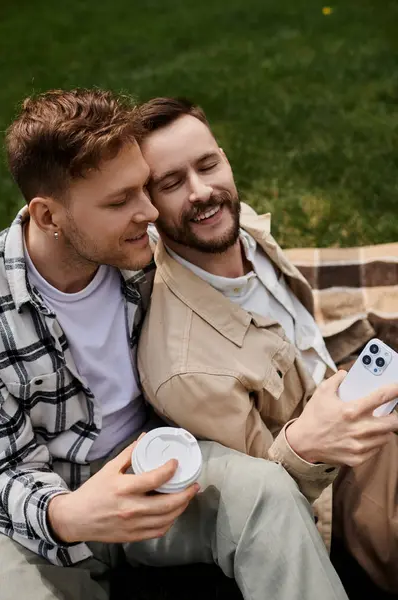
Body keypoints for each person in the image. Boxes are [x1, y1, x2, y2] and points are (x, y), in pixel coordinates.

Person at [0, 88, 349, 600]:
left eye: (144, 187)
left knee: (266, 494)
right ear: (48, 217)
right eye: (120, 201)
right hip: (41, 509)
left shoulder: (141, 256)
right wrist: (66, 513)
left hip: (156, 467)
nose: (151, 212)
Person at [136, 96, 398, 594]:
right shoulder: (187, 370)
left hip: (353, 393)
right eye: (171, 183)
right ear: (147, 206)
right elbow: (270, 500)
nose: (201, 192)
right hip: (342, 486)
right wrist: (313, 442)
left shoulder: (241, 225)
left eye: (208, 164)